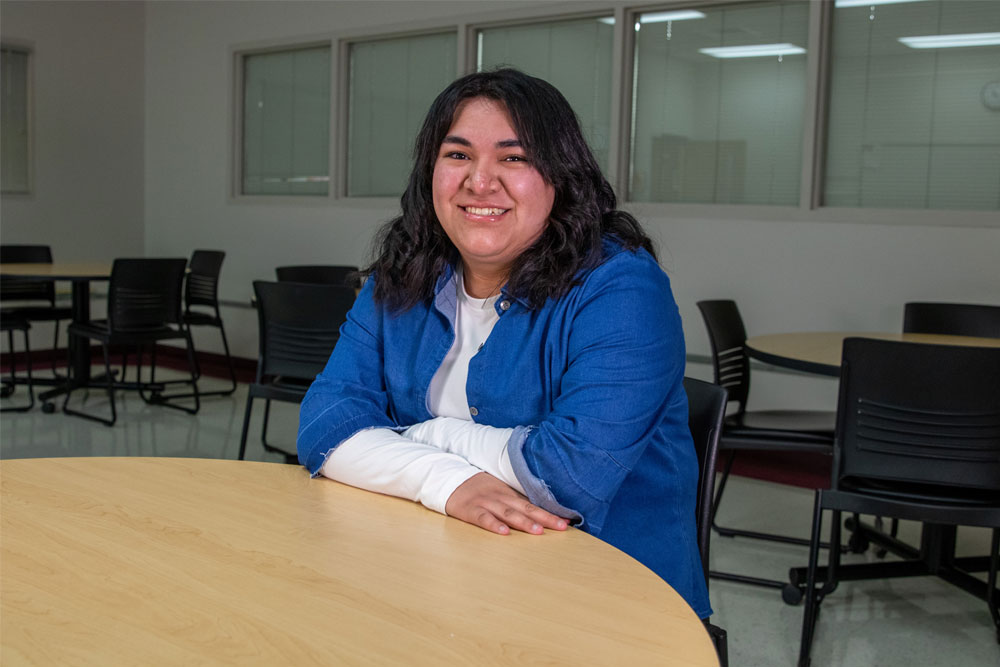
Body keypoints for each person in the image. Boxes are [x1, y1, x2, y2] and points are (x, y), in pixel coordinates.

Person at [297, 68, 710, 619]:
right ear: (431, 171)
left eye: (513, 158)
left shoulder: (622, 288)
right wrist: (445, 479)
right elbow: (323, 426)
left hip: (609, 605)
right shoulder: (399, 276)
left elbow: (567, 475)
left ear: (560, 176)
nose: (479, 181)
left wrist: (417, 437)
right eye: (458, 155)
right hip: (432, 586)